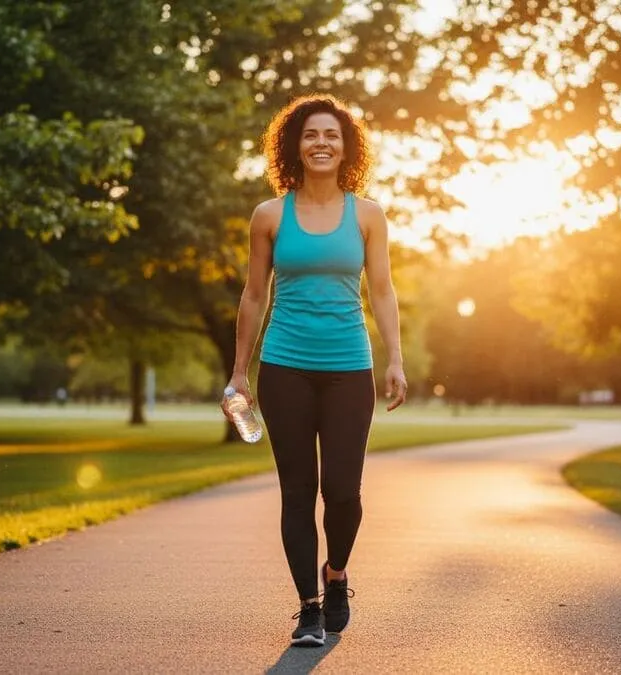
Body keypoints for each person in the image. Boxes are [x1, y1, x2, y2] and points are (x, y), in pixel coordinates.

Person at [221, 94, 407, 647]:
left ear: (346, 146)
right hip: (285, 368)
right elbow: (254, 295)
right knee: (297, 492)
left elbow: (382, 290)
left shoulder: (368, 214)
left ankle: (337, 575)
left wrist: (395, 356)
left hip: (350, 367)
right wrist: (239, 374)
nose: (321, 143)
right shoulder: (270, 215)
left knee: (344, 492)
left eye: (331, 134)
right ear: (293, 147)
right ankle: (307, 608)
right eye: (310, 135)